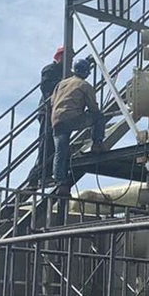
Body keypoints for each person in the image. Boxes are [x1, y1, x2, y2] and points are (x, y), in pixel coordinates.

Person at [51, 58, 106, 196]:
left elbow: (52, 101)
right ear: (86, 72)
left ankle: (60, 183)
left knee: (60, 152)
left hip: (56, 120)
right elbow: (93, 108)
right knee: (99, 117)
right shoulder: (84, 85)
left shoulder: (61, 84)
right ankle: (97, 144)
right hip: (72, 119)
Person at [23, 46, 64, 189]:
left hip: (58, 110)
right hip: (48, 110)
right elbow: (46, 88)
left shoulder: (66, 72)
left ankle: (38, 176)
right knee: (46, 143)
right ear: (59, 57)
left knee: (53, 145)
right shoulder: (50, 70)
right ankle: (37, 177)